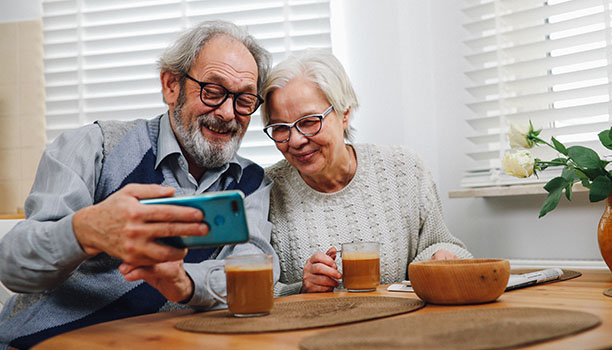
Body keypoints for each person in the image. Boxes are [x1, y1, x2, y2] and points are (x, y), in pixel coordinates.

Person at [0, 20, 278, 349]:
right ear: (171, 86)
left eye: (244, 100)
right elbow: (13, 266)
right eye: (213, 91)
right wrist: (84, 231)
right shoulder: (93, 148)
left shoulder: (252, 184)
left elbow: (256, 272)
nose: (229, 113)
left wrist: (184, 283)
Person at [261, 50, 473, 296]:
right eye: (279, 128)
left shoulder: (404, 169)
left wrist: (439, 258)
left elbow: (444, 243)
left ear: (345, 114)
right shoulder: (265, 191)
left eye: (309, 122)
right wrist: (300, 288)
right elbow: (250, 291)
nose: (295, 140)